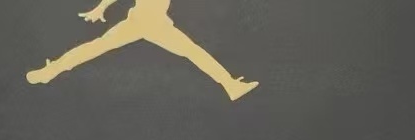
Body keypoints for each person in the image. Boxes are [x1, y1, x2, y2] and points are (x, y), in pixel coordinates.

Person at [27, 0, 258, 100]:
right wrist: (100, 8)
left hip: (151, 24)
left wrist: (101, 8)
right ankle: (50, 70)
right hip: (143, 23)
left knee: (96, 46)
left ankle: (230, 85)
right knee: (193, 52)